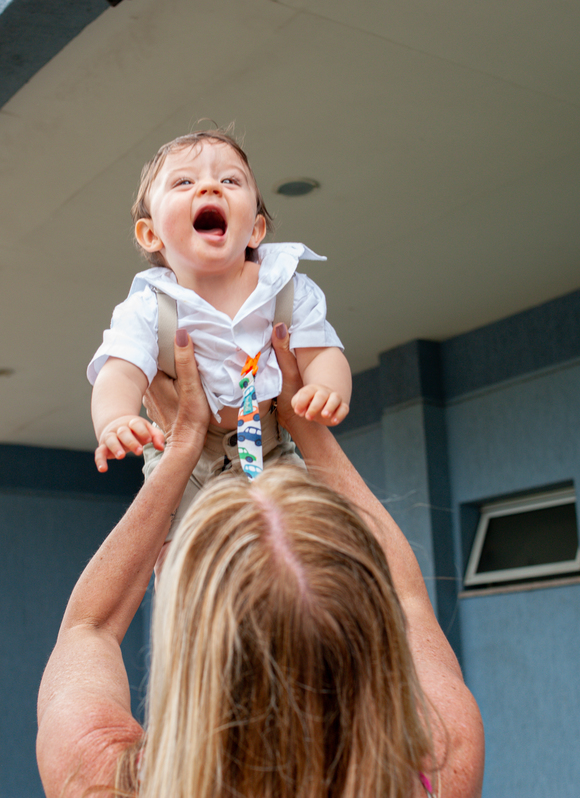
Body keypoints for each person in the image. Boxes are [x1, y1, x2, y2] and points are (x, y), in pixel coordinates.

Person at [38, 325, 485, 798]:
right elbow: (406, 599)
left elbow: (90, 626)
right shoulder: (440, 765)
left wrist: (184, 443)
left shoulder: (103, 782)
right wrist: (302, 423)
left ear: (184, 636)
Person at [87, 129, 352, 509]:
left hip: (273, 451)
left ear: (256, 230)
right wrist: (115, 420)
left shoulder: (286, 289)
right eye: (184, 181)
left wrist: (326, 388)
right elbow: (120, 372)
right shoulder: (149, 308)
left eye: (229, 180)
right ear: (150, 234)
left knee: (300, 535)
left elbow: (321, 351)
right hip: (185, 462)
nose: (210, 187)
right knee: (176, 551)